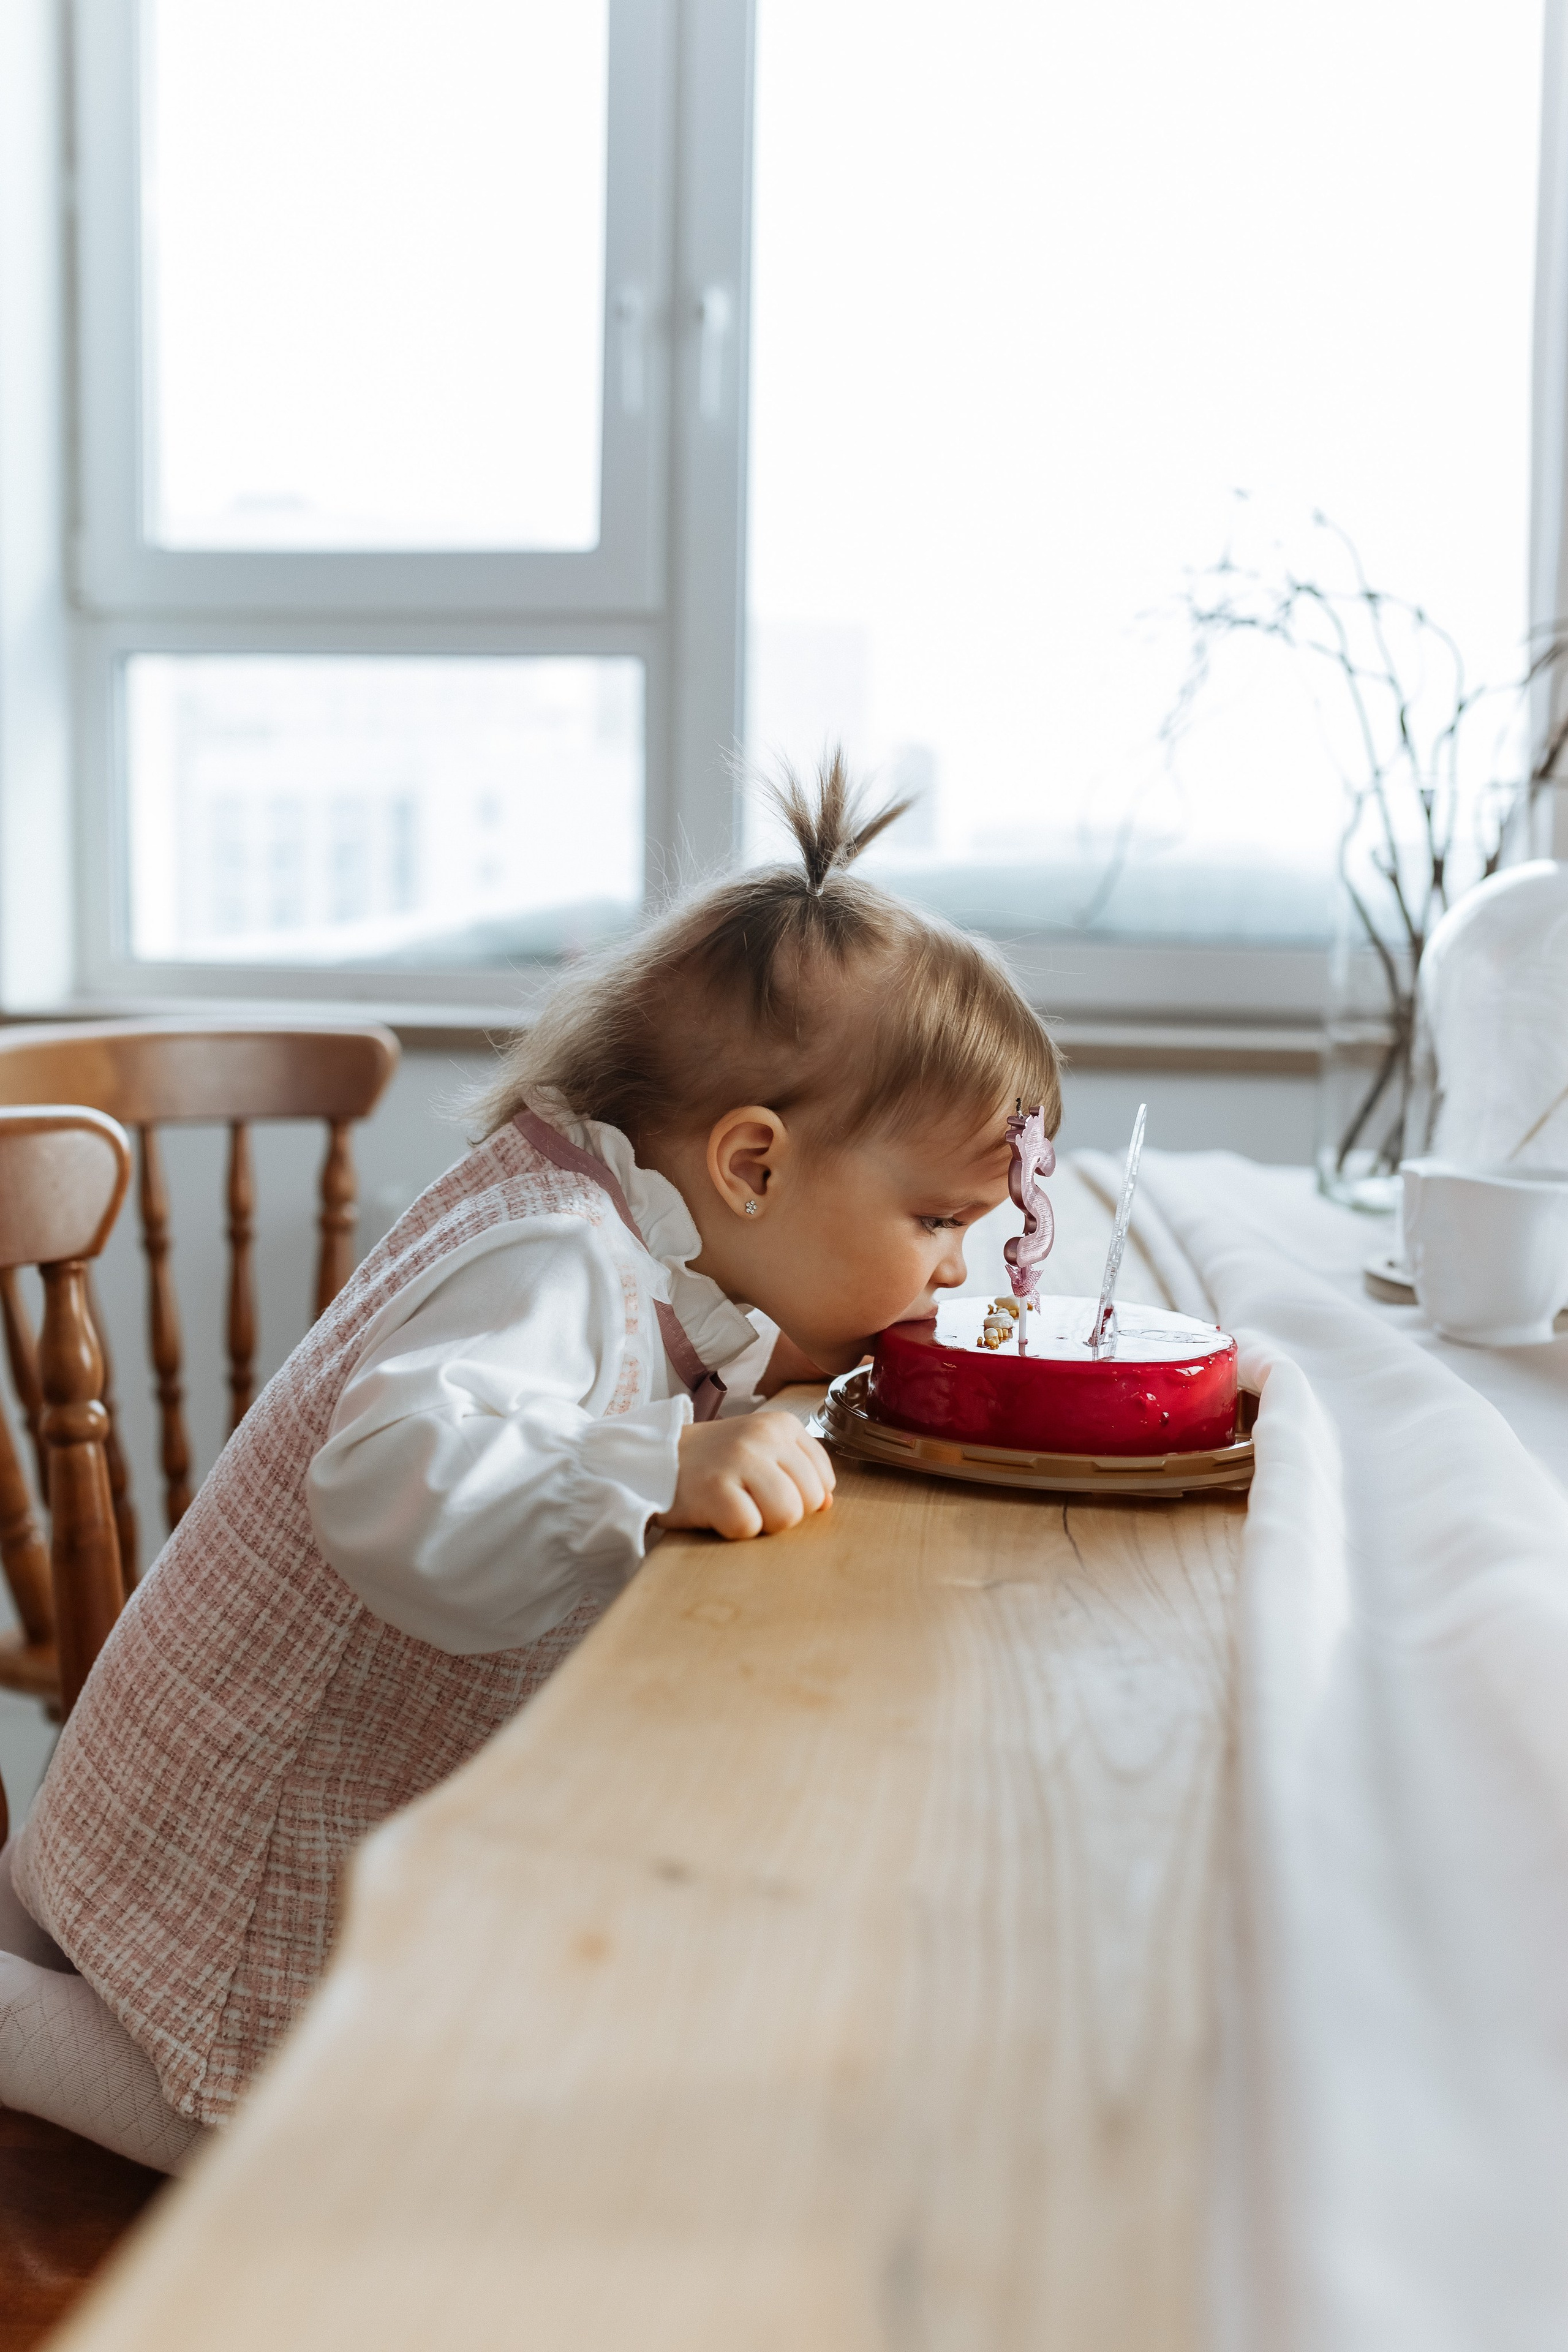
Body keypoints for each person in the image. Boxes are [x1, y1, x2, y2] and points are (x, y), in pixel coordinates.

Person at [0, 756, 1061, 2171]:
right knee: (310, 2153)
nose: (954, 1267)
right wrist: (652, 1473)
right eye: (935, 1222)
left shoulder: (646, 1232)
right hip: (245, 1835)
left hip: (203, 1797)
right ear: (751, 1167)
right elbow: (397, 1484)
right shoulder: (556, 1255)